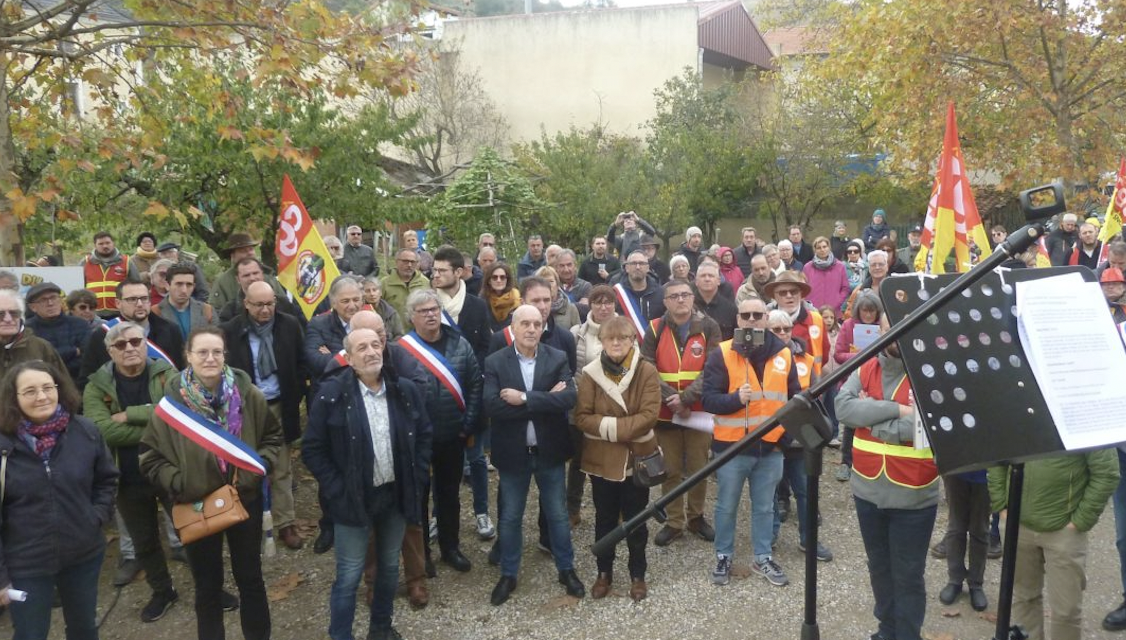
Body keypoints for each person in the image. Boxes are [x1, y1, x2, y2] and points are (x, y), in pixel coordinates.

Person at [141, 327, 282, 640]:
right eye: (202, 352)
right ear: (188, 356)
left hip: (244, 497)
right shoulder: (171, 405)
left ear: (224, 355)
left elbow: (273, 437)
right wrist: (180, 482)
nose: (210, 358)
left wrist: (257, 470)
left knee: (250, 579)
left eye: (216, 352)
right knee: (207, 585)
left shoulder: (248, 393)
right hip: (195, 503)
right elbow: (150, 457)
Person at [303, 326, 431, 640]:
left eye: (376, 344)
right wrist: (336, 489)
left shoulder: (404, 390)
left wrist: (417, 473)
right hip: (352, 500)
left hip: (395, 496)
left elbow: (425, 433)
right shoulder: (331, 395)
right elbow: (312, 449)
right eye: (362, 347)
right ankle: (341, 635)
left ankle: (381, 628)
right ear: (348, 357)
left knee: (389, 567)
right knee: (348, 576)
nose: (372, 351)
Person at [836, 316, 938, 640]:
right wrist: (897, 410)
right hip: (867, 489)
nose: (896, 330)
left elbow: (925, 428)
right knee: (879, 569)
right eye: (889, 323)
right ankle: (887, 631)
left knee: (908, 576)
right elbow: (843, 409)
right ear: (880, 330)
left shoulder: (929, 369)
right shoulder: (865, 365)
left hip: (913, 493)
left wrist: (872, 416)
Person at [0, 360, 118, 640]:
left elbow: (106, 480)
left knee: (84, 629)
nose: (41, 396)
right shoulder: (4, 445)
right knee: (30, 633)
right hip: (25, 563)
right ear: (13, 398)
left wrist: (96, 517)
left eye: (47, 387)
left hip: (82, 554)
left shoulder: (85, 431)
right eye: (29, 391)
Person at [484, 304, 584, 606]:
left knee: (557, 514)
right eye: (524, 323)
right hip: (512, 454)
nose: (531, 329)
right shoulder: (495, 361)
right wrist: (544, 400)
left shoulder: (557, 358)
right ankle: (509, 573)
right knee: (511, 517)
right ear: (512, 328)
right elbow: (492, 406)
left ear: (543, 328)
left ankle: (566, 569)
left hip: (550, 451)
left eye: (536, 324)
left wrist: (523, 398)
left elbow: (568, 398)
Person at [83, 321, 182, 621]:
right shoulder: (95, 386)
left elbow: (180, 414)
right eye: (121, 345)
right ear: (110, 351)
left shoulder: (168, 374)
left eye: (136, 342)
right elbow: (102, 431)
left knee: (191, 531)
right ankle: (163, 591)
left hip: (171, 470)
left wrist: (131, 415)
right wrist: (156, 421)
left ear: (145, 343)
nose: (130, 349)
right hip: (127, 478)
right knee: (145, 541)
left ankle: (209, 587)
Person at [702, 296, 800, 587]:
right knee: (726, 506)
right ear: (738, 320)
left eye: (759, 314)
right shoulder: (721, 354)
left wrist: (783, 439)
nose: (753, 320)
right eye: (747, 315)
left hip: (770, 449)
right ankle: (723, 555)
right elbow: (708, 399)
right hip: (731, 449)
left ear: (767, 319)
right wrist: (735, 399)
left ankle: (763, 557)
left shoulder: (784, 353)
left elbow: (795, 400)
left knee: (764, 507)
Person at [574, 315, 661, 601]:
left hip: (638, 459)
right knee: (604, 519)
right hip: (603, 461)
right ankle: (604, 573)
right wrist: (623, 429)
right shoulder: (590, 373)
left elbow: (649, 416)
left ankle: (638, 574)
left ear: (632, 340)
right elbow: (582, 417)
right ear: (601, 341)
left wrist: (609, 427)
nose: (616, 343)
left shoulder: (646, 371)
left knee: (637, 521)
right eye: (610, 338)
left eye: (622, 338)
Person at [991, 450, 1118, 640]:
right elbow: (994, 457)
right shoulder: (1013, 418)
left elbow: (1107, 473)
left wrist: (1080, 521)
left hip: (1064, 531)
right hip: (1017, 524)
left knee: (1066, 610)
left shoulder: (1081, 421)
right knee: (1024, 597)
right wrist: (1001, 504)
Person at [222, 280, 308, 551]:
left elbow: (300, 362)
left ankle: (285, 522)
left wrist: (296, 392)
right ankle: (248, 521)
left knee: (281, 466)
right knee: (247, 466)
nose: (265, 310)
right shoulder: (230, 331)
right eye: (259, 305)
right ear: (246, 304)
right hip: (245, 408)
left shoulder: (289, 325)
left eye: (270, 303)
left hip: (281, 404)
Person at [641, 279, 722, 547]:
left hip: (698, 411)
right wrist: (672, 399)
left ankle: (696, 517)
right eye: (673, 296)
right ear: (665, 301)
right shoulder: (655, 328)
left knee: (699, 468)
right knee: (671, 469)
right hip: (666, 414)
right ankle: (674, 521)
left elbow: (711, 368)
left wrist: (686, 399)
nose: (680, 300)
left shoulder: (709, 326)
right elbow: (647, 367)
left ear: (692, 297)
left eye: (685, 295)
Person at [767, 310, 833, 562]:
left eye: (786, 328)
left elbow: (817, 395)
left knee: (805, 491)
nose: (783, 333)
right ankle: (770, 536)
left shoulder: (805, 359)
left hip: (798, 439)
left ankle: (809, 539)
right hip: (771, 439)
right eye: (776, 329)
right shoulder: (759, 359)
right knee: (769, 491)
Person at [79, 279, 184, 389]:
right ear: (118, 303)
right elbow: (88, 379)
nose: (139, 304)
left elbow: (181, 371)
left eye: (144, 299)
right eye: (132, 299)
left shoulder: (171, 330)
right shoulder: (102, 335)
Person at [570, 284, 617, 524]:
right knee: (579, 460)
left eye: (608, 301)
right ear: (590, 304)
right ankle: (572, 509)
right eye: (598, 302)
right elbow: (571, 370)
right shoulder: (577, 332)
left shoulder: (626, 331)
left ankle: (614, 510)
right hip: (584, 407)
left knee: (613, 458)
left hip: (615, 408)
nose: (603, 307)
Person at [833, 291, 883, 482]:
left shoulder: (883, 326)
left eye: (872, 311)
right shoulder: (848, 326)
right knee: (851, 423)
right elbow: (839, 354)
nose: (868, 315)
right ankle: (846, 462)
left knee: (876, 418)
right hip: (854, 379)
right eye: (865, 311)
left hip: (878, 378)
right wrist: (861, 355)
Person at [25, 282, 91, 384]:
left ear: (60, 300)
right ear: (33, 307)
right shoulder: (27, 329)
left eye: (54, 297)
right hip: (42, 383)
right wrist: (73, 351)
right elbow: (35, 361)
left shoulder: (80, 324)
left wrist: (53, 359)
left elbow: (87, 358)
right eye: (43, 300)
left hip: (79, 383)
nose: (50, 303)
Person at [0, 290, 71, 384]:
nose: (8, 319)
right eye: (0, 314)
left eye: (14, 313)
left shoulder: (42, 347)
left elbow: (64, 389)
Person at [209, 233, 288, 312]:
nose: (249, 253)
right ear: (233, 255)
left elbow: (285, 304)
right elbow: (215, 311)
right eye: (243, 251)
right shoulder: (223, 282)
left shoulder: (268, 275)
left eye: (251, 249)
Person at [305, 276, 365, 378]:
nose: (352, 306)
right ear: (333, 303)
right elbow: (316, 362)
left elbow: (383, 354)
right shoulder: (318, 325)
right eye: (345, 301)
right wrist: (361, 357)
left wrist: (335, 355)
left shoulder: (371, 322)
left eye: (356, 300)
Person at [215, 258, 303, 324]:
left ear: (262, 274)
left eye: (255, 273)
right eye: (246, 275)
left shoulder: (284, 304)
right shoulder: (229, 311)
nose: (252, 278)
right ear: (238, 279)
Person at [81, 231, 141, 317]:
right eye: (101, 244)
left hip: (120, 313)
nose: (105, 246)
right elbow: (78, 288)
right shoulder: (85, 262)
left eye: (107, 243)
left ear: (113, 243)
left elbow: (137, 287)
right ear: (95, 246)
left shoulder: (127, 262)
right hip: (92, 313)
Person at [153, 262, 217, 339]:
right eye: (179, 284)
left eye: (189, 285)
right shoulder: (155, 313)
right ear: (167, 285)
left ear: (194, 286)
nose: (184, 290)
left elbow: (216, 340)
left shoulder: (207, 311)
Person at [613, 250, 665, 335]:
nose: (637, 267)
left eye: (641, 263)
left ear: (648, 268)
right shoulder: (616, 294)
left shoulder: (661, 293)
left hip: (654, 345)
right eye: (633, 263)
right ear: (626, 268)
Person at [380, 248, 430, 322]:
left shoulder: (425, 282)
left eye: (412, 262)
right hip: (394, 331)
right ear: (396, 262)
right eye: (405, 261)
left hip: (419, 330)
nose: (409, 265)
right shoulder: (384, 283)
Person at [803, 236, 851, 313]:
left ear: (829, 247)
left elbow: (845, 288)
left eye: (824, 247)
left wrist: (837, 301)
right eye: (819, 248)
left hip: (833, 310)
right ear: (815, 250)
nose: (822, 250)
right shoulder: (807, 267)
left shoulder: (840, 266)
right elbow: (804, 288)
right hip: (813, 311)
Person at [694, 261, 737, 341]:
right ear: (696, 281)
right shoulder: (688, 306)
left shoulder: (730, 309)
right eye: (703, 276)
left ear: (718, 281)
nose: (707, 279)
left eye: (711, 276)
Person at [843, 249, 890, 319]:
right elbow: (850, 314)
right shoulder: (859, 290)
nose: (877, 267)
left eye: (881, 264)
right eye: (873, 265)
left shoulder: (896, 287)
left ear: (887, 267)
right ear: (869, 268)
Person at [536, 265, 580, 332]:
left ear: (557, 284)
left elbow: (578, 334)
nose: (547, 285)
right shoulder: (533, 309)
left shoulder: (570, 309)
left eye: (551, 281)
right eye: (543, 282)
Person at [362, 276, 405, 342]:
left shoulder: (391, 312)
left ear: (380, 292)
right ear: (362, 294)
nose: (372, 294)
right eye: (368, 291)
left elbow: (399, 334)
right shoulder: (359, 313)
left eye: (374, 290)